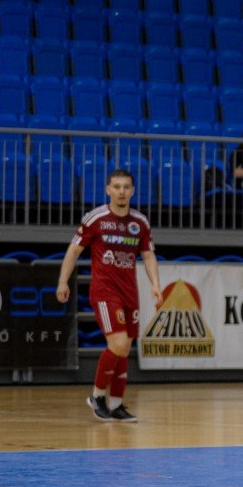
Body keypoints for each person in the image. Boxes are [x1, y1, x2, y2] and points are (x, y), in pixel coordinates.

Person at [55, 168, 161, 423]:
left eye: (126, 187)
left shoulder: (140, 223)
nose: (121, 191)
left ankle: (116, 405)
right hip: (104, 291)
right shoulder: (96, 218)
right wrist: (62, 281)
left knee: (124, 350)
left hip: (129, 293)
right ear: (108, 190)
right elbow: (73, 251)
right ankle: (97, 396)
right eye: (116, 187)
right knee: (119, 344)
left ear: (133, 191)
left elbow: (148, 255)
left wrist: (156, 284)